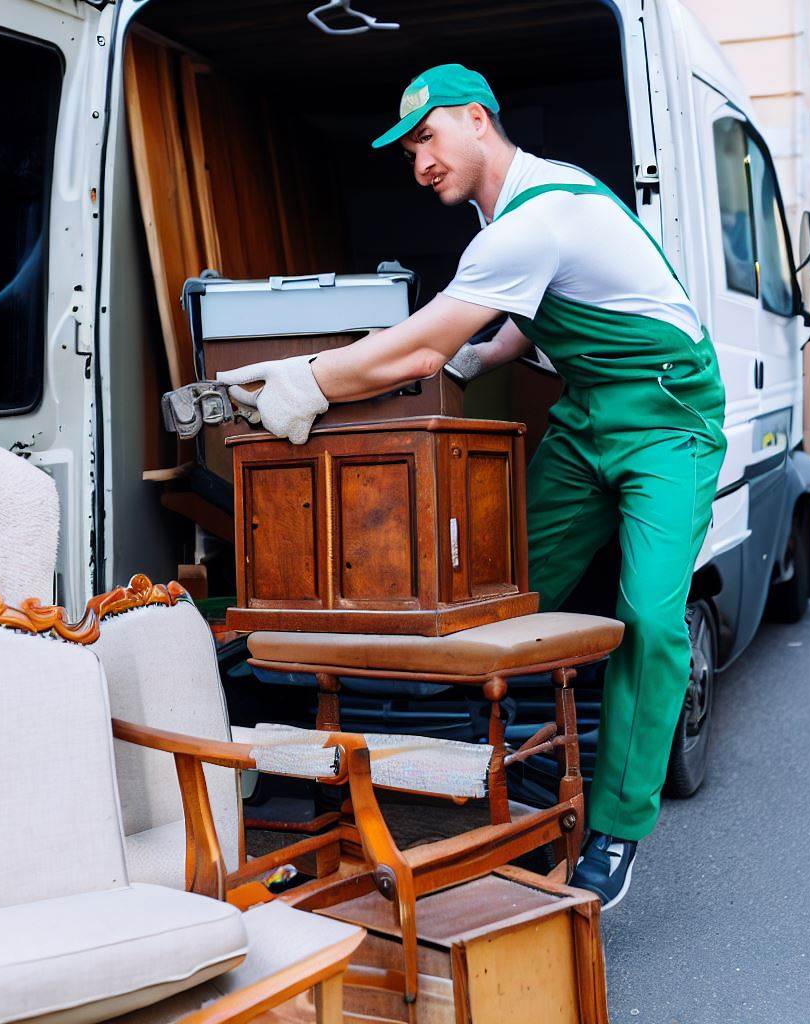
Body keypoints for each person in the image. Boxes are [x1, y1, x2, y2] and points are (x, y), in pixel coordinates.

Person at [218, 64, 727, 909]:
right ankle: (464, 766)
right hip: (588, 414)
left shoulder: (538, 216)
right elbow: (532, 315)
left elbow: (417, 348)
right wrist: (479, 355)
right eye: (407, 148)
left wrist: (311, 379)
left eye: (427, 137)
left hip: (671, 418)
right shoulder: (512, 209)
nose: (418, 162)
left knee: (649, 619)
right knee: (499, 585)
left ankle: (618, 827)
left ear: (478, 119)